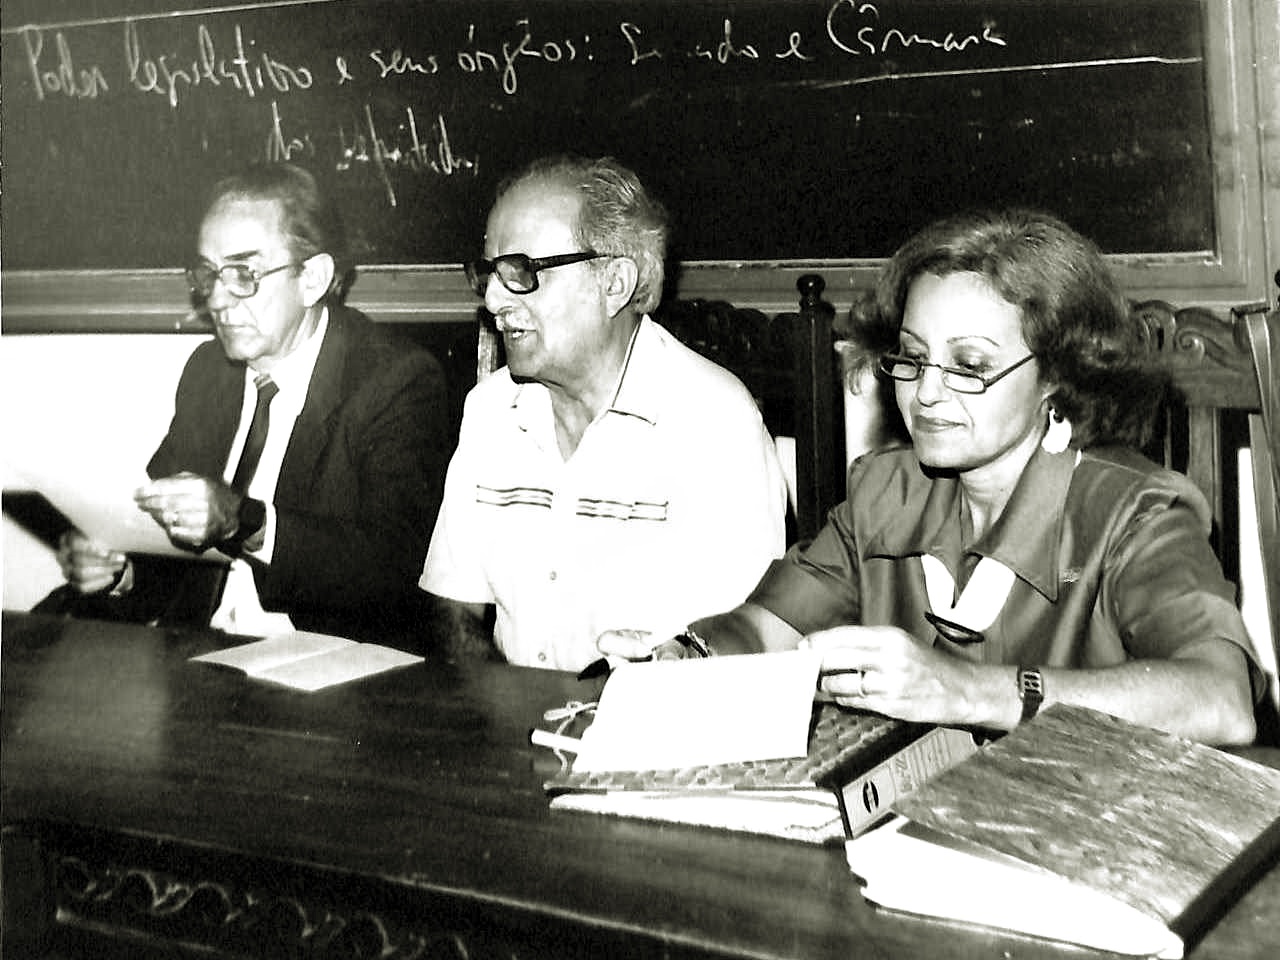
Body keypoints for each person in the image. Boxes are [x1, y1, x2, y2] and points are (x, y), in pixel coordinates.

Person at [603, 208, 1261, 745]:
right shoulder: (885, 493)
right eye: (914, 359)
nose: (926, 393)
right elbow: (762, 629)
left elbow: (1224, 700)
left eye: (969, 366)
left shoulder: (1134, 513)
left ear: (1057, 376)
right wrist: (688, 656)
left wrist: (964, 690)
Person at [47, 163, 449, 647]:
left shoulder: (394, 380)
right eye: (208, 274)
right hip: (202, 653)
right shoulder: (208, 372)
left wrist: (246, 523)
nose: (217, 300)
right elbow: (170, 552)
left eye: (243, 273)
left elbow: (394, 571)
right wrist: (120, 571)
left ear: (313, 279)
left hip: (323, 666)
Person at [420, 154, 788, 671]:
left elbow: (743, 653)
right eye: (488, 274)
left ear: (614, 283)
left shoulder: (713, 422)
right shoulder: (490, 410)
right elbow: (453, 608)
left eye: (521, 272)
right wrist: (507, 707)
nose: (495, 299)